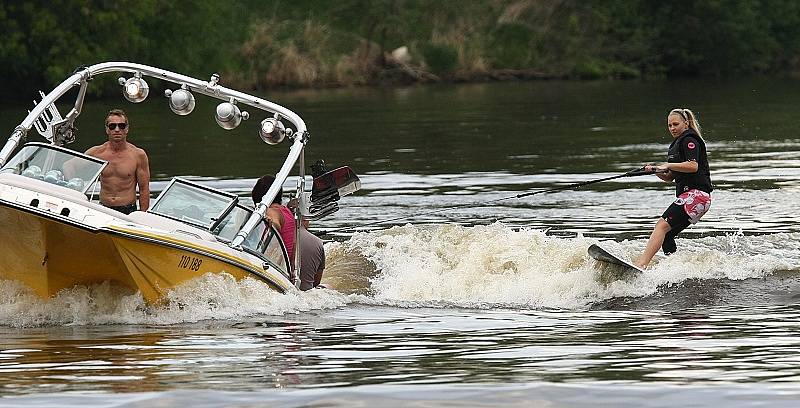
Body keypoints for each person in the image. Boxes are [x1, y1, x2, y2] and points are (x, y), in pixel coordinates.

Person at [635, 108, 713, 268]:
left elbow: (692, 166)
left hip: (697, 196)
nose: (672, 128)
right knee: (667, 236)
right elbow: (670, 177)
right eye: (669, 125)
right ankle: (676, 269)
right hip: (693, 199)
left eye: (676, 124)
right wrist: (656, 170)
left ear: (686, 123)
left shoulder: (690, 140)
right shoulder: (675, 145)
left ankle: (641, 265)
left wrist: (668, 164)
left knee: (660, 227)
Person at [85, 109, 150, 214]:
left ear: (127, 129)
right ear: (107, 129)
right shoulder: (96, 153)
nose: (117, 129)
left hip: (128, 209)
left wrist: (143, 216)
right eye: (112, 126)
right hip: (103, 209)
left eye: (121, 126)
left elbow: (144, 189)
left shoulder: (138, 155)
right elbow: (70, 167)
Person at [251, 175, 296, 268]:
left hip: (273, 265)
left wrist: (269, 222)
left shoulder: (270, 211)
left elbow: (275, 223)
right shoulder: (286, 211)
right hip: (284, 266)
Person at [298, 218, 325, 291]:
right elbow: (316, 282)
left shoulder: (278, 236)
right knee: (326, 286)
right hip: (307, 293)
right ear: (305, 219)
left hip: (282, 288)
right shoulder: (318, 242)